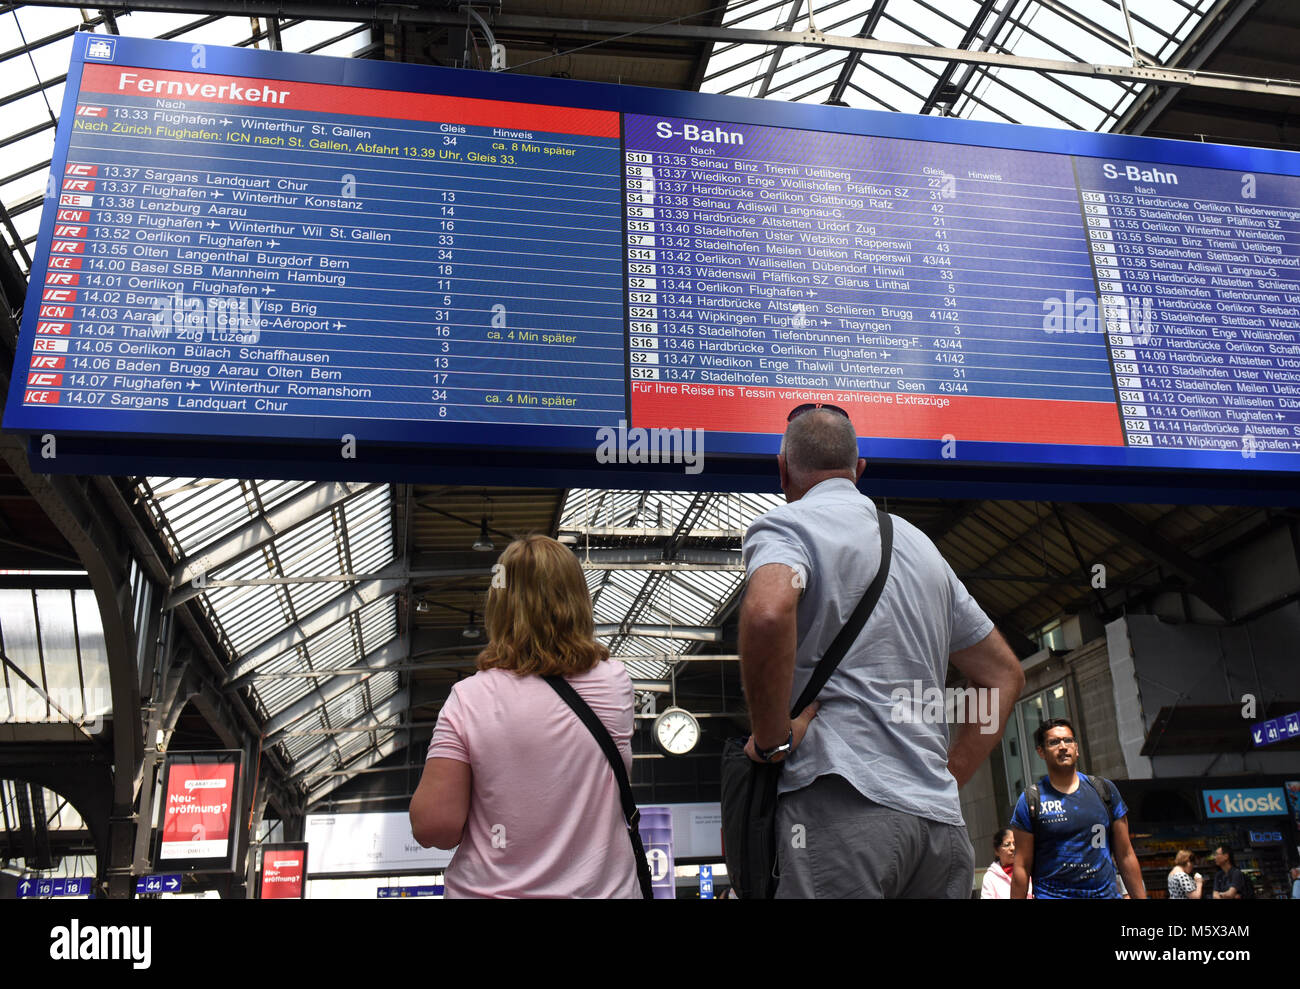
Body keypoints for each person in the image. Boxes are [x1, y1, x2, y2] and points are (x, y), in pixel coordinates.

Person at [738, 404, 1025, 898]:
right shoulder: (923, 548)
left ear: (782, 468)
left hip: (841, 811)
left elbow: (766, 613)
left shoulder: (788, 527)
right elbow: (1004, 676)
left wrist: (771, 739)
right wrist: (949, 773)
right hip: (938, 828)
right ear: (859, 469)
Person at [408, 534, 638, 897]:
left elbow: (435, 827)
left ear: (499, 605)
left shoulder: (469, 699)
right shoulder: (615, 683)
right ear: (578, 598)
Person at [1009, 718, 1146, 899]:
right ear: (1041, 752)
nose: (1063, 746)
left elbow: (1126, 854)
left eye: (1068, 740)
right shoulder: (1031, 800)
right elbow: (1021, 867)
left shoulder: (1104, 791)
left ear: (1077, 748)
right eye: (1054, 742)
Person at [981, 828, 1032, 898]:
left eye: (1014, 843)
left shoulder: (1027, 868)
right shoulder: (990, 877)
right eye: (1007, 844)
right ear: (997, 851)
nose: (1012, 848)